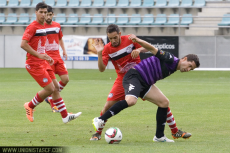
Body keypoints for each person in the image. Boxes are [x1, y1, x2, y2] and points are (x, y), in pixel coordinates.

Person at [90, 24, 192, 140]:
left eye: (115, 37)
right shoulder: (107, 49)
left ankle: (174, 131)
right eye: (110, 38)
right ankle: (98, 132)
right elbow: (102, 69)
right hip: (123, 78)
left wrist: (138, 49)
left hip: (141, 75)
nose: (113, 41)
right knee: (108, 106)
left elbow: (147, 47)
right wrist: (99, 53)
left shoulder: (129, 39)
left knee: (162, 102)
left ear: (119, 34)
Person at [21, 2, 81, 123]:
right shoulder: (33, 26)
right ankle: (30, 106)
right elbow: (23, 44)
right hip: (34, 64)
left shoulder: (43, 26)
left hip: (43, 62)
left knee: (57, 87)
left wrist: (46, 56)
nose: (43, 15)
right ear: (36, 12)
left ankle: (65, 116)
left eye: (45, 12)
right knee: (49, 89)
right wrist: (39, 55)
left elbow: (40, 46)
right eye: (41, 12)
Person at [44, 5, 69, 112]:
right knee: (53, 85)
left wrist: (64, 50)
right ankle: (54, 105)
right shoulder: (41, 27)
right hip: (47, 59)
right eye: (47, 15)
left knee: (65, 79)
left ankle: (50, 97)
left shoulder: (57, 25)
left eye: (50, 15)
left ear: (53, 15)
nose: (48, 17)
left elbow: (60, 39)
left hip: (57, 57)